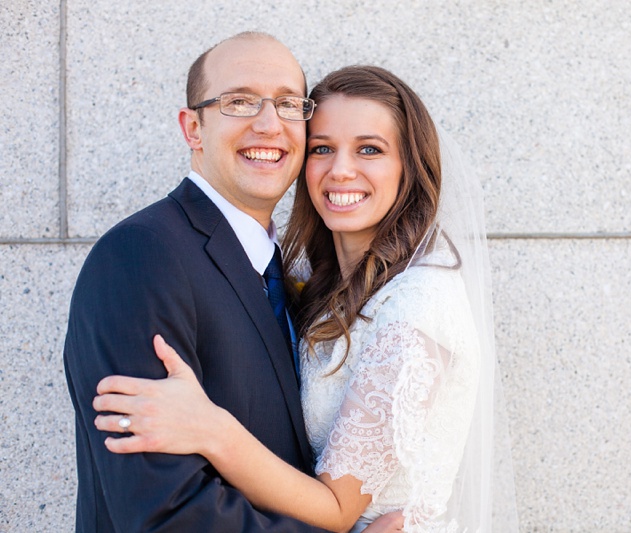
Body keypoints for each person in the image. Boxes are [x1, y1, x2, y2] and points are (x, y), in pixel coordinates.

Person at [93, 66, 517, 531]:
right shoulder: (312, 282)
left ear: (409, 168)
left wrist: (210, 428)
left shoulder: (420, 303)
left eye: (369, 149)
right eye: (323, 149)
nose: (341, 170)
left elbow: (336, 510)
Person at [64, 32, 401, 532]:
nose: (269, 125)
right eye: (239, 101)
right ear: (193, 127)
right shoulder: (140, 256)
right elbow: (164, 513)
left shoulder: (288, 275)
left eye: (288, 104)